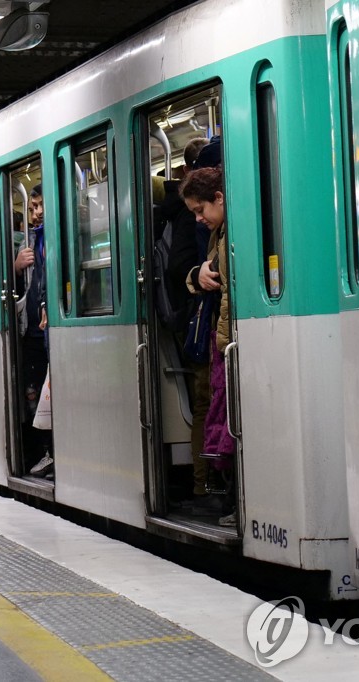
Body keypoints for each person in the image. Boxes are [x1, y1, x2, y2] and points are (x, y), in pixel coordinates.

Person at [179, 160, 236, 527]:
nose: (199, 219)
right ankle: (232, 499)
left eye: (201, 210)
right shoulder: (219, 233)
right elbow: (204, 274)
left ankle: (235, 500)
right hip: (223, 343)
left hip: (230, 342)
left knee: (229, 425)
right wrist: (196, 274)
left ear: (218, 197)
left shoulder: (234, 230)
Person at [161, 137, 214, 506]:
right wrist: (198, 274)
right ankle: (204, 484)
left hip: (208, 318)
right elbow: (179, 263)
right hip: (200, 318)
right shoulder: (187, 215)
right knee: (206, 400)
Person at [15, 184, 54, 478]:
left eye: (40, 206)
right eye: (32, 208)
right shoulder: (29, 240)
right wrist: (16, 268)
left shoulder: (55, 235)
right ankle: (44, 451)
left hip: (48, 329)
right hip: (32, 331)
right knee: (36, 393)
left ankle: (53, 451)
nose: (36, 213)